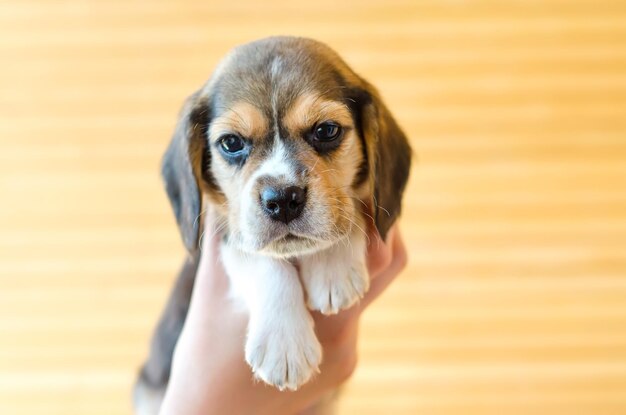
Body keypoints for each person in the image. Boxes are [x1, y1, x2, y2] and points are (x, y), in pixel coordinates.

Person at [159, 211, 407, 415]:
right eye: (234, 146)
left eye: (323, 145)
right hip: (162, 388)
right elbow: (228, 237)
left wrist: (348, 229)